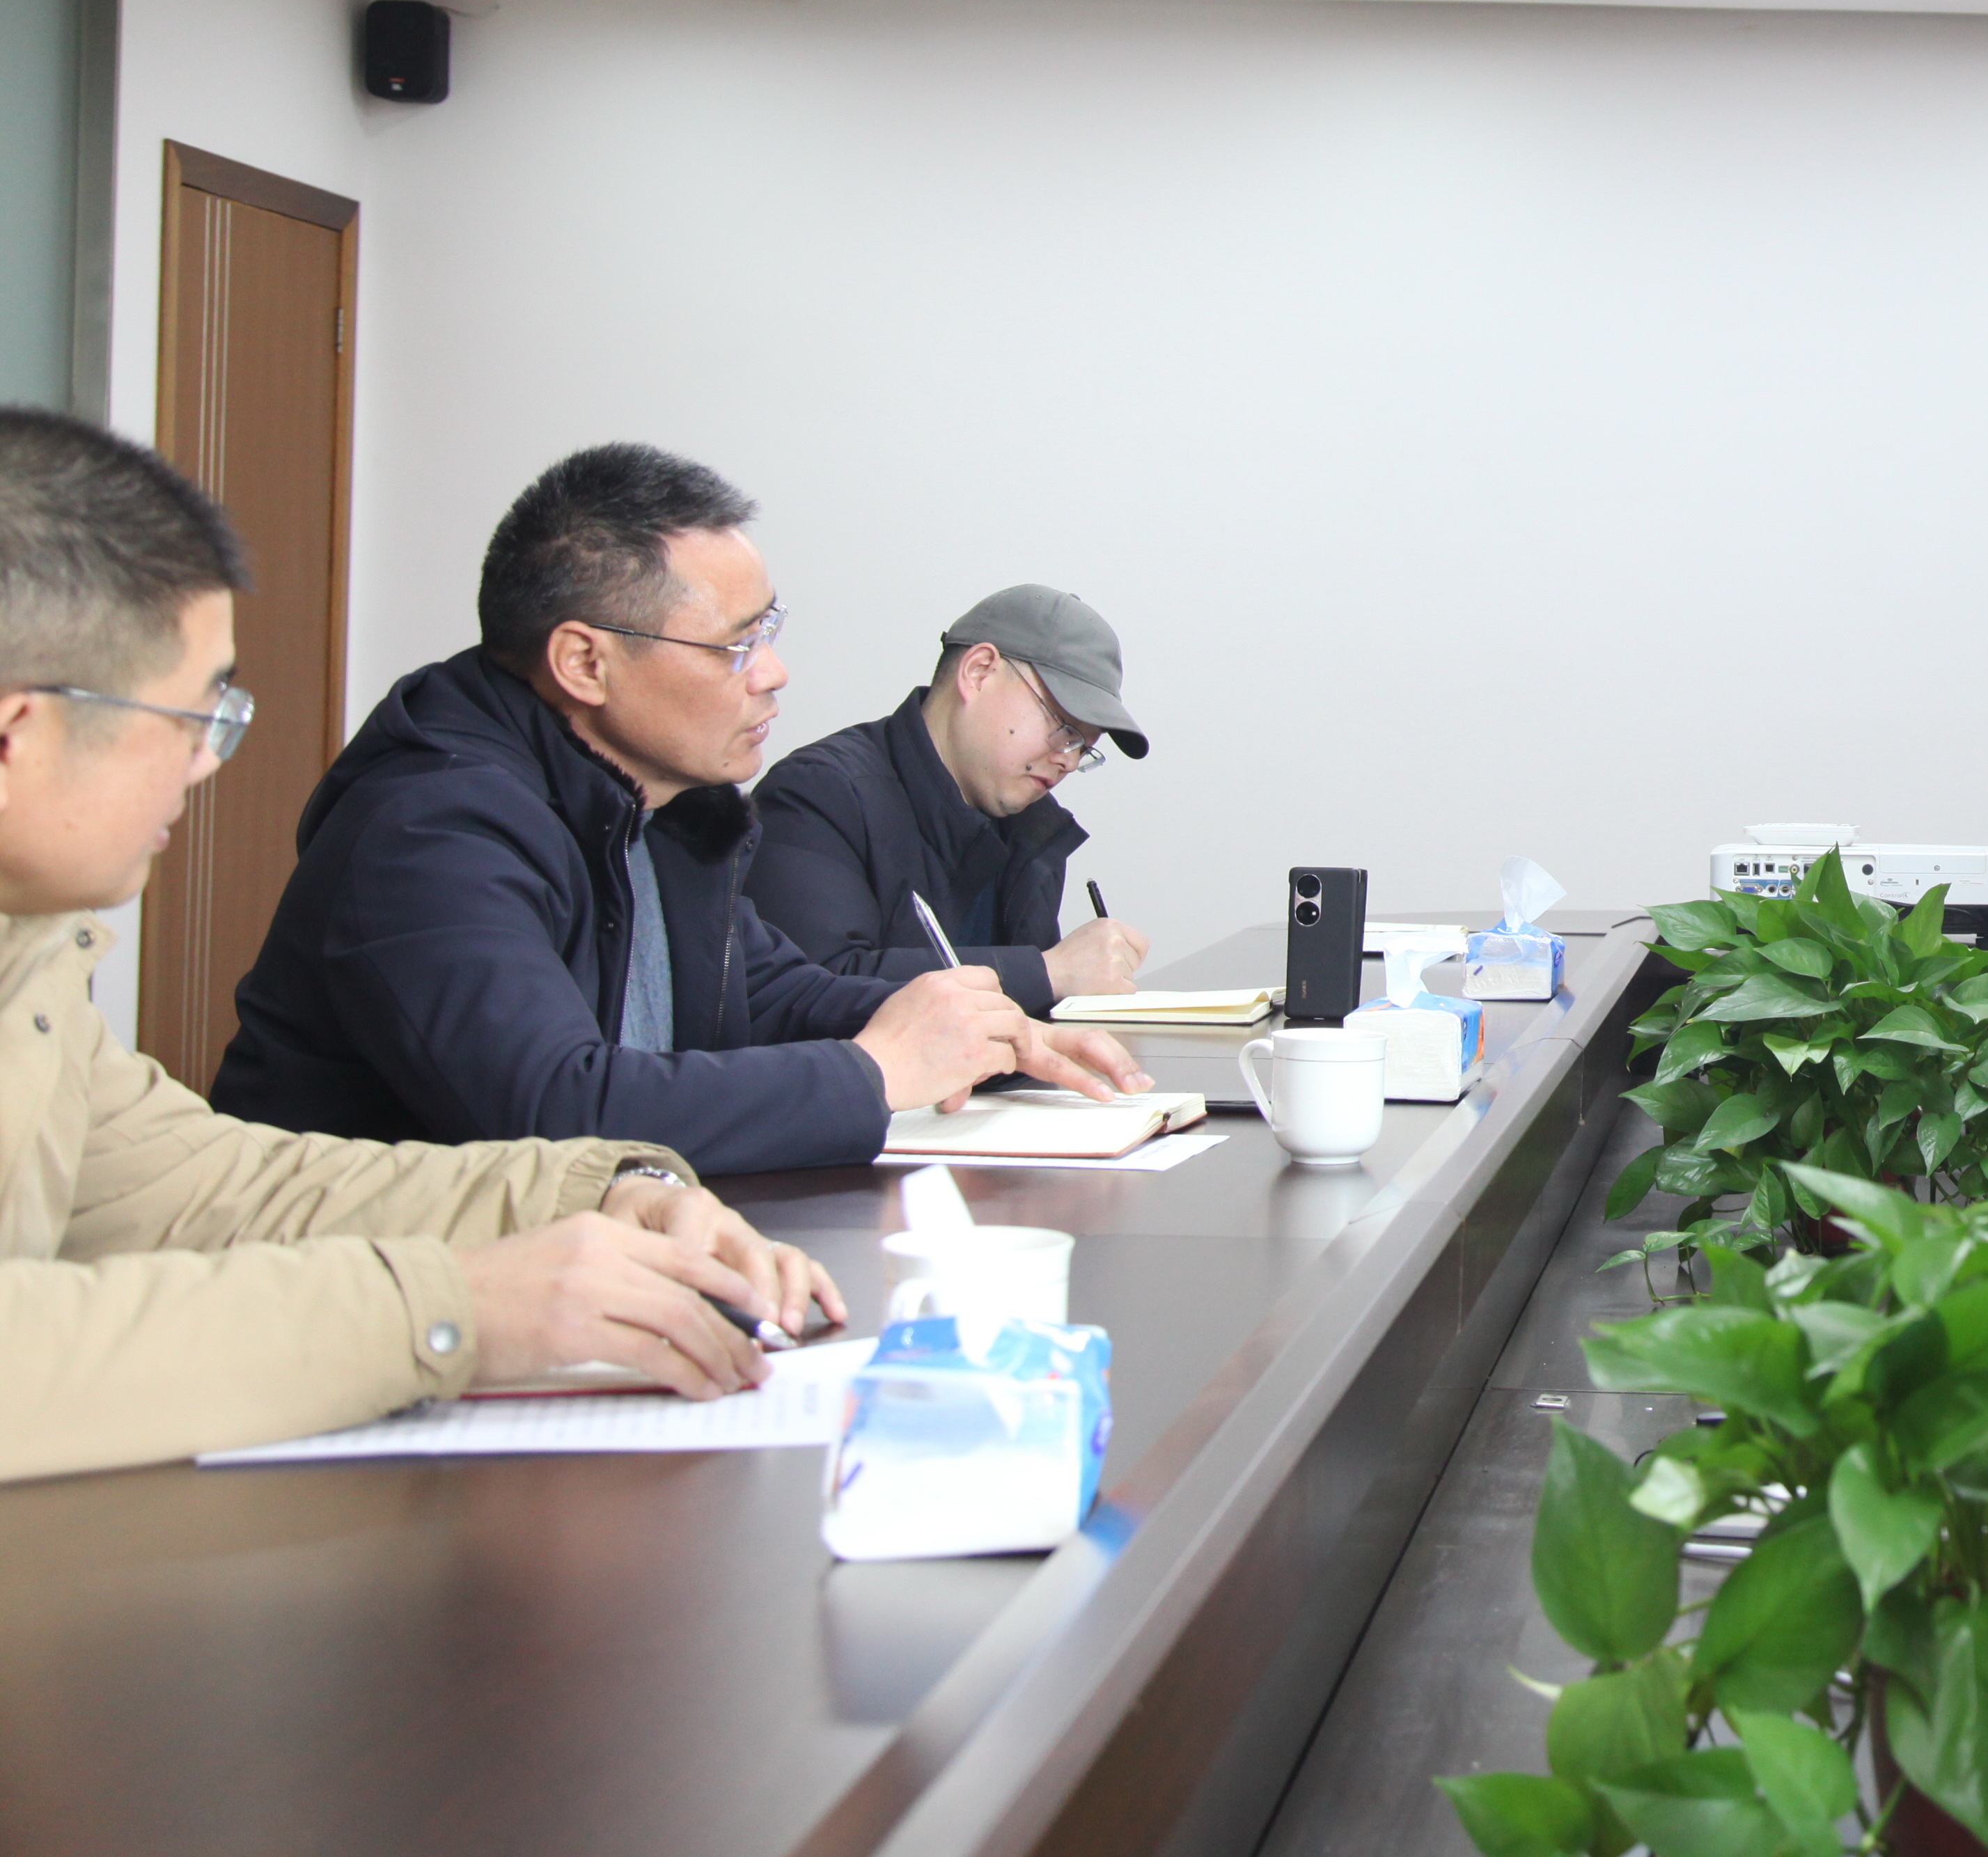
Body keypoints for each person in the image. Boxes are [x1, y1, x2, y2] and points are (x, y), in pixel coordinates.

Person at [0, 410, 838, 1480]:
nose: (206, 765)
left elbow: (217, 1188)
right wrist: (448, 1311)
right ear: (18, 737)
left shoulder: (31, 961)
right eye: (190, 721)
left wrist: (597, 1193)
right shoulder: (435, 813)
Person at [212, 445, 1146, 1177]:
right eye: (736, 646)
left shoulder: (656, 801)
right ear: (585, 663)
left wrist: (987, 1030)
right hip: (371, 1299)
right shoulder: (429, 829)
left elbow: (770, 992)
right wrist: (876, 1071)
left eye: (769, 630)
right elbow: (554, 1108)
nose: (774, 673)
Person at [749, 586, 1152, 1010]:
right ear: (978, 673)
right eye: (1065, 730)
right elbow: (805, 993)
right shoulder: (818, 795)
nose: (1068, 762)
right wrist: (1048, 972)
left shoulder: (1033, 828)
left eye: (1083, 748)